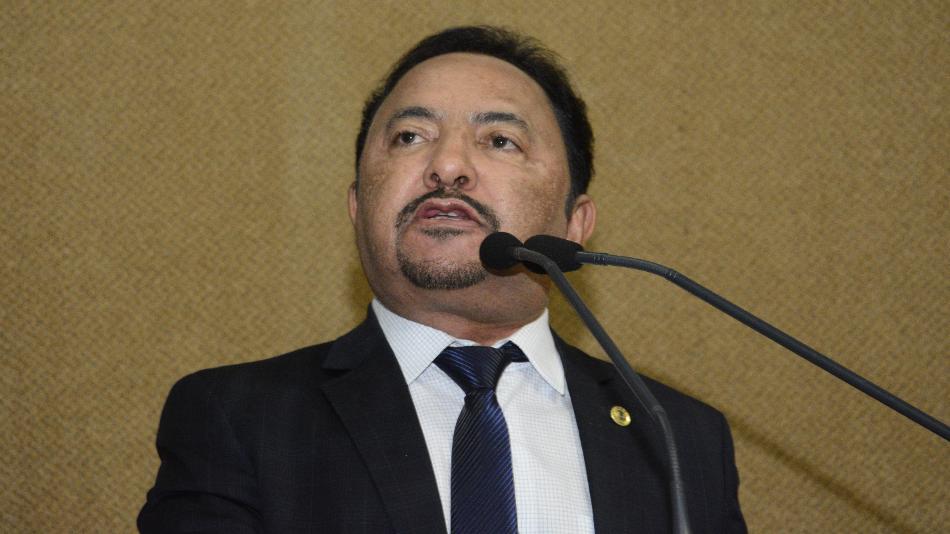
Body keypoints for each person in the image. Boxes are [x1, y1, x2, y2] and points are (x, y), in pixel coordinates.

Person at [138, 25, 746, 533]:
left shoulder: (677, 436)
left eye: (500, 140)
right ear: (358, 205)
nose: (448, 166)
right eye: (410, 137)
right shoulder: (240, 418)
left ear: (575, 223)